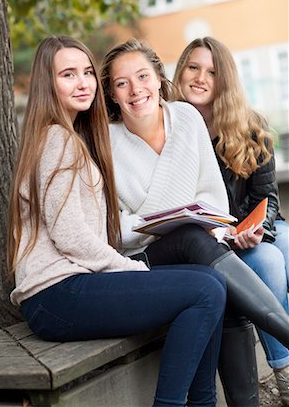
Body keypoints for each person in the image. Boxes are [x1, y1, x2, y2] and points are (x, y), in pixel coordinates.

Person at [7, 35, 231, 407]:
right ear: (48, 84)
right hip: (56, 294)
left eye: (87, 73)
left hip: (73, 287)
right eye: (67, 74)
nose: (82, 83)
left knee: (209, 281)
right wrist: (131, 269)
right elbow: (72, 237)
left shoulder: (71, 137)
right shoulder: (57, 141)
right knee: (205, 291)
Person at [100, 37, 289, 407]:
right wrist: (160, 220)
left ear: (158, 77)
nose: (136, 89)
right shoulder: (104, 142)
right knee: (197, 243)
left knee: (219, 272)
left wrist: (198, 221)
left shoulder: (185, 119)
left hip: (204, 241)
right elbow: (112, 230)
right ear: (111, 92)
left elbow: (213, 197)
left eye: (142, 76)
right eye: (122, 83)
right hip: (144, 258)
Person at [173, 36, 289, 406]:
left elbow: (268, 197)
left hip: (254, 228)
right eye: (193, 67)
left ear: (226, 81)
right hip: (213, 243)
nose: (201, 78)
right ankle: (284, 372)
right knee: (271, 261)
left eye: (212, 72)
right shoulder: (171, 129)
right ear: (181, 70)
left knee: (283, 245)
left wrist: (258, 229)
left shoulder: (250, 125)